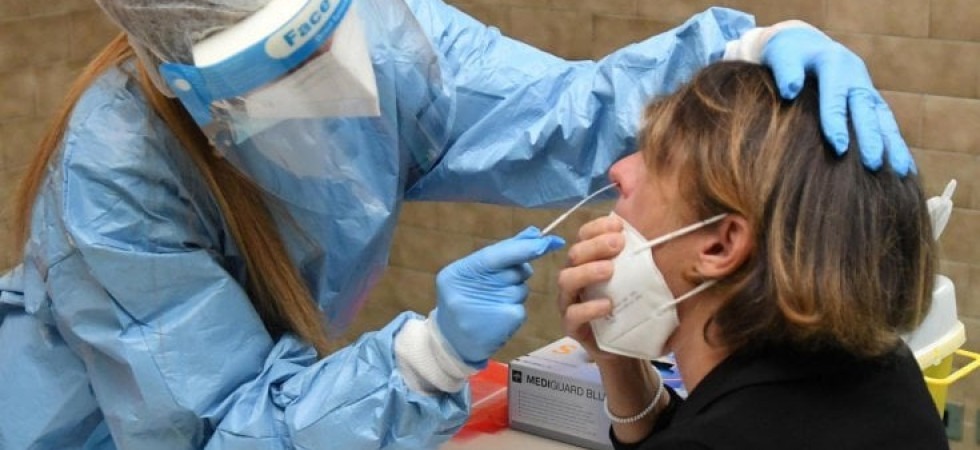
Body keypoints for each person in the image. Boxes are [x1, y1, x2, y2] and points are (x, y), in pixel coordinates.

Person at [0, 0, 915, 447]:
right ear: (186, 82)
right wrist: (428, 358)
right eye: (286, 70)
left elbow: (564, 114)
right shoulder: (111, 182)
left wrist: (740, 48)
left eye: (330, 37)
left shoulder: (383, 36)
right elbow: (218, 434)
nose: (616, 170)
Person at [557, 61, 947, 449]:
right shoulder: (890, 372)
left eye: (658, 158)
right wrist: (621, 364)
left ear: (721, 246)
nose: (618, 171)